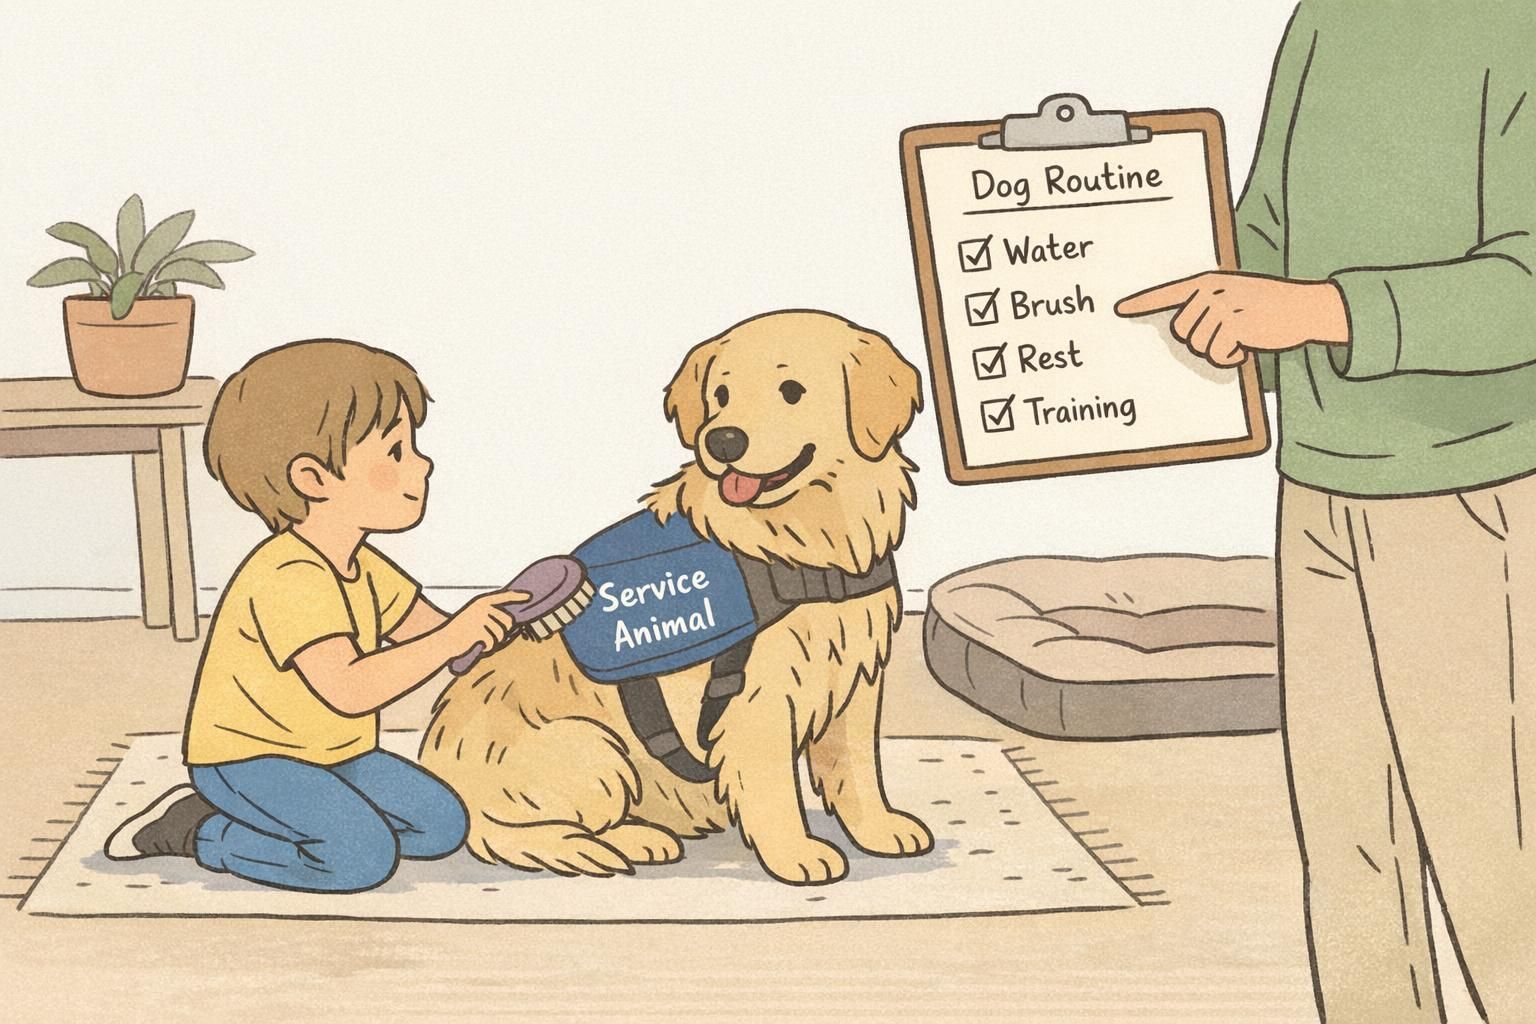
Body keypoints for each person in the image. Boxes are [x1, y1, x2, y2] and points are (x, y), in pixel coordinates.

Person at [1117, 3, 1535, 1019]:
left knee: (1501, 860)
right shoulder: (1329, 17)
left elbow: (1523, 286)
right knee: (1353, 860)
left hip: (1477, 494)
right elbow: (1265, 230)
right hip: (1317, 488)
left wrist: (1321, 310)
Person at [105, 339, 527, 893]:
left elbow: (433, 630)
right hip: (249, 760)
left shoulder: (364, 564)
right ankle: (195, 829)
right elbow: (350, 690)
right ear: (314, 478)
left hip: (337, 754)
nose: (422, 464)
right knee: (360, 859)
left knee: (440, 826)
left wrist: (508, 626)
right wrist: (451, 639)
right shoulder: (289, 575)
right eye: (396, 451)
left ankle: (281, 819)